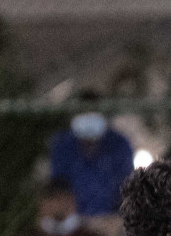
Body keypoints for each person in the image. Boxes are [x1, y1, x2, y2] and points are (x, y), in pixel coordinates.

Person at [49, 93, 136, 224]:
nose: (88, 119)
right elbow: (58, 188)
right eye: (84, 114)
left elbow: (128, 187)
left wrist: (115, 222)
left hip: (112, 221)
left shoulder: (119, 144)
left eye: (93, 114)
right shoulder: (62, 145)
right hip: (73, 223)